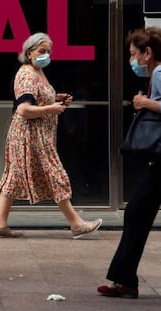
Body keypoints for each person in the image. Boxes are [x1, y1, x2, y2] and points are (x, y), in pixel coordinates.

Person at [0, 32, 102, 239]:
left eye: (49, 52)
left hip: (34, 135)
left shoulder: (37, 71)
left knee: (14, 177)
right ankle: (76, 224)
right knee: (55, 175)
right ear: (29, 52)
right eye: (42, 51)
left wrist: (55, 100)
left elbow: (37, 99)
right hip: (32, 136)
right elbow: (23, 109)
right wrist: (51, 109)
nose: (46, 55)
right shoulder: (28, 75)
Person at [98, 26, 161, 299]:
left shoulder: (159, 72)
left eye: (134, 54)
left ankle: (125, 281)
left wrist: (145, 102)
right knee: (137, 211)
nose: (131, 60)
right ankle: (124, 280)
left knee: (136, 211)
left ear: (148, 53)